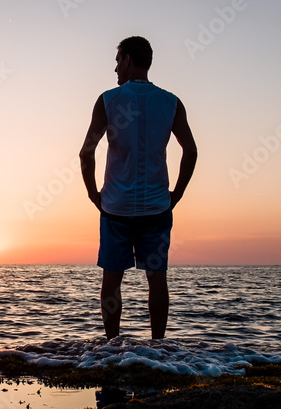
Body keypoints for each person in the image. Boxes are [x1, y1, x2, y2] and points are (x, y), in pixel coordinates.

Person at [80, 36, 197, 340]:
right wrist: (177, 194)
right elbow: (191, 151)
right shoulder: (171, 102)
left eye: (118, 60)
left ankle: (111, 347)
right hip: (157, 207)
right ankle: (158, 346)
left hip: (115, 207)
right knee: (157, 279)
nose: (115, 67)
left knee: (112, 280)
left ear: (129, 59)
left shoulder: (108, 100)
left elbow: (86, 152)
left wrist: (94, 195)